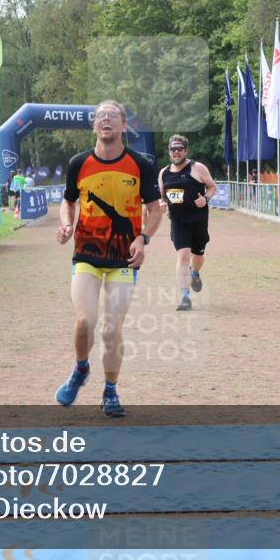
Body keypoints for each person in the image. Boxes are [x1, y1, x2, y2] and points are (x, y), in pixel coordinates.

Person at [55, 100, 162, 418]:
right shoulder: (79, 163)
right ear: (93, 126)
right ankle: (80, 369)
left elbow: (155, 210)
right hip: (86, 253)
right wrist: (66, 224)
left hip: (125, 258)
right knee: (85, 321)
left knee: (112, 328)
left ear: (123, 126)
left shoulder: (140, 164)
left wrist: (144, 239)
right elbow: (68, 202)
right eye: (100, 116)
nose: (106, 120)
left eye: (112, 116)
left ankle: (110, 391)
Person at [158, 134, 216, 311]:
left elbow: (212, 187)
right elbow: (162, 198)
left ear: (186, 151)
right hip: (178, 222)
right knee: (183, 255)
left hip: (198, 221)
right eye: (173, 149)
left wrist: (205, 199)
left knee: (197, 255)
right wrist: (161, 203)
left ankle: (195, 273)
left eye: (179, 149)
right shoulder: (164, 173)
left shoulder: (197, 168)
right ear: (169, 152)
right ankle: (185, 297)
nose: (176, 152)